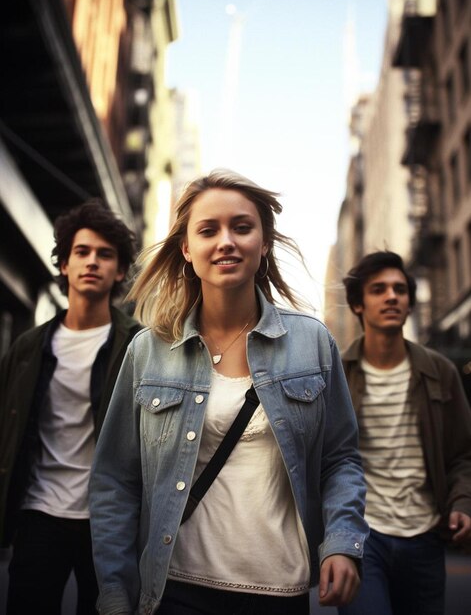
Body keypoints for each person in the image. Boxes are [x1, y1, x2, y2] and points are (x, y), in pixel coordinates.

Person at [89, 169, 368, 615]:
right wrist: (116, 593)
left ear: (264, 243)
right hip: (174, 588)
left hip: (278, 589)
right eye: (208, 230)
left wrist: (341, 541)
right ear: (186, 248)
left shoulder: (311, 343)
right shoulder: (148, 350)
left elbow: (340, 459)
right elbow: (115, 481)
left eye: (242, 227)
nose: (226, 241)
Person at [0, 199, 141, 615]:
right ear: (64, 265)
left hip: (110, 521)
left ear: (119, 271)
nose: (92, 262)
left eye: (104, 254)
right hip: (40, 511)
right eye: (81, 252)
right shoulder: (28, 348)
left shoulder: (137, 346)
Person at [339, 250, 471, 615]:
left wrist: (463, 503)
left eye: (399, 289)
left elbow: (463, 454)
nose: (392, 296)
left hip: (425, 538)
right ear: (358, 305)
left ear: (410, 303)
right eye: (378, 289)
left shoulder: (439, 371)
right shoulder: (339, 374)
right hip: (361, 538)